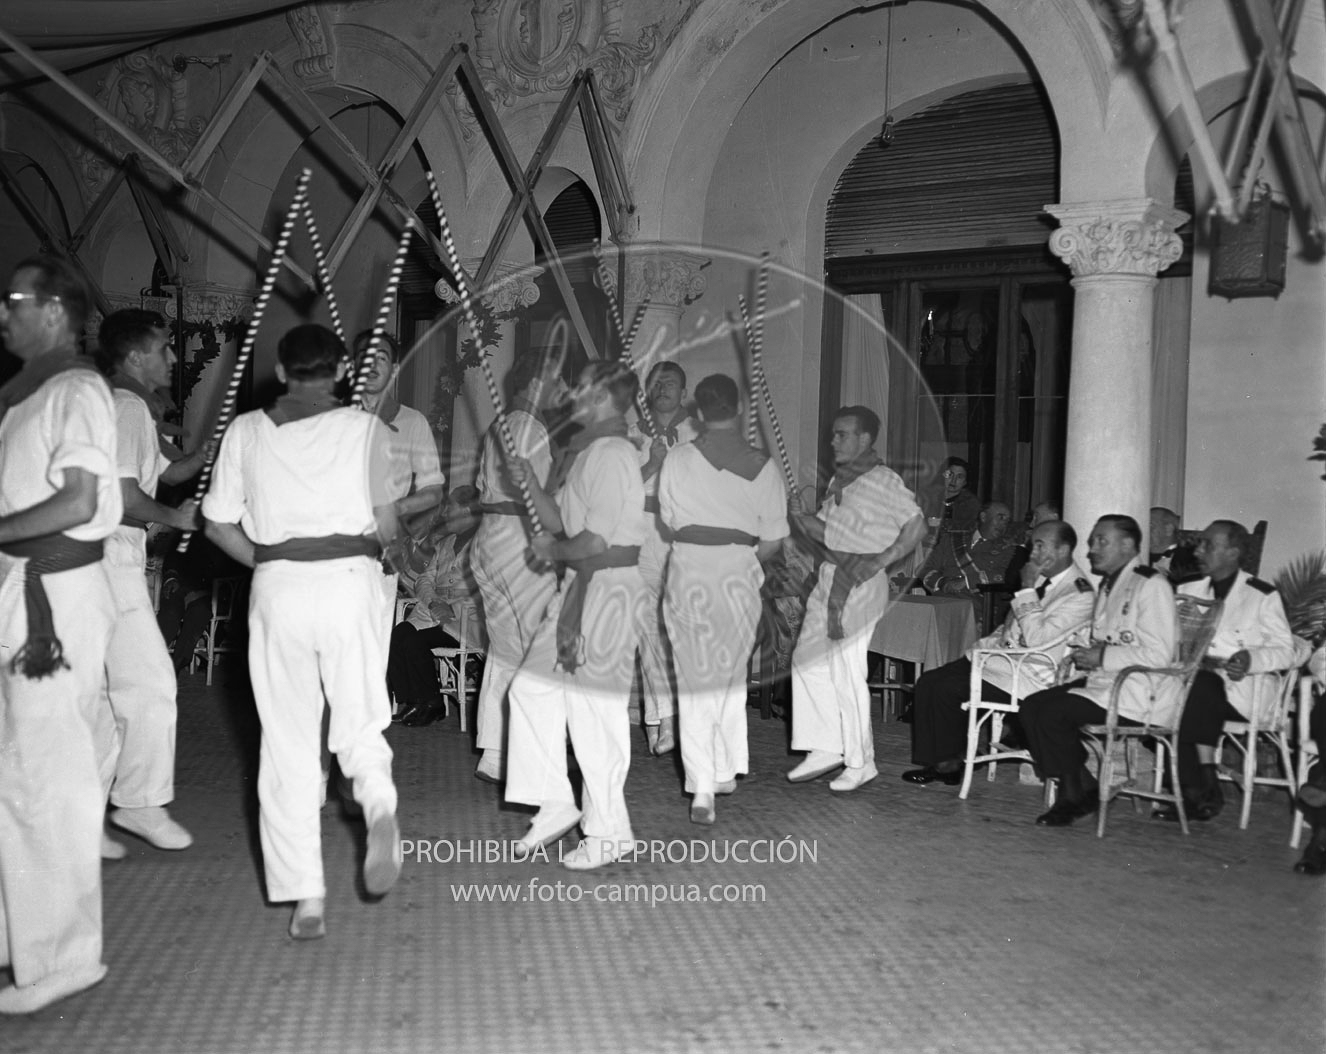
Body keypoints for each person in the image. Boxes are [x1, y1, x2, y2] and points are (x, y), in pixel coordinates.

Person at [202, 323, 403, 940]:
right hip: (348, 583)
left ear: (283, 372)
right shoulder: (367, 429)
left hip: (279, 589)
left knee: (287, 740)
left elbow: (216, 524)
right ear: (341, 372)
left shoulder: (246, 430)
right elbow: (388, 526)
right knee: (359, 718)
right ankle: (378, 804)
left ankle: (306, 897)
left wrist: (269, 562)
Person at [0, 254, 122, 1013]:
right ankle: (21, 935)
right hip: (25, 590)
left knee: (48, 775)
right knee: (17, 770)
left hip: (57, 598)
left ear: (54, 311)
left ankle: (64, 957)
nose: (1, 314)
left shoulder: (77, 389)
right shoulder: (29, 394)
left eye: (12, 300)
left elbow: (78, 501)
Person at [503, 361, 646, 869]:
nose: (571, 394)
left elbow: (594, 541)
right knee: (530, 688)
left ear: (603, 398)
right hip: (579, 590)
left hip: (607, 592)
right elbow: (560, 520)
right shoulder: (589, 451)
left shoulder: (613, 454)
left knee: (594, 714)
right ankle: (555, 801)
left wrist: (553, 551)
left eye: (581, 388)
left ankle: (609, 832)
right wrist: (529, 483)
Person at [93, 308, 215, 858]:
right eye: (164, 347)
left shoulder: (130, 407)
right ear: (137, 355)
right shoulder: (126, 407)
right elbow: (123, 496)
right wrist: (177, 518)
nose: (172, 357)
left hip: (107, 556)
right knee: (152, 683)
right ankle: (140, 801)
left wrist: (208, 454)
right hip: (110, 553)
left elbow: (168, 472)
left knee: (107, 696)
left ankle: (85, 817)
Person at [658, 373, 788, 824]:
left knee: (694, 677)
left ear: (697, 411)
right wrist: (742, 557)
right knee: (730, 674)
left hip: (690, 569)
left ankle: (703, 787)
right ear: (739, 409)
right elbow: (774, 540)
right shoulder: (763, 465)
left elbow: (669, 521)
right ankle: (725, 769)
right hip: (737, 573)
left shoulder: (677, 458)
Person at [786, 406, 926, 792]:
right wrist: (801, 516)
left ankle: (860, 762)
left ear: (865, 439)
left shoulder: (883, 479)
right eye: (834, 434)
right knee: (807, 659)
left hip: (861, 581)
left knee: (846, 671)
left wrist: (882, 560)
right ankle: (826, 745)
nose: (833, 441)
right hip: (830, 576)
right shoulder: (840, 480)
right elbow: (825, 531)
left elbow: (916, 526)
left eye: (841, 434)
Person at [902, 519, 1095, 786]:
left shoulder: (1079, 593)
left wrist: (1026, 588)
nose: (1033, 553)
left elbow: (1038, 638)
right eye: (1033, 546)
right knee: (929, 682)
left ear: (1063, 550)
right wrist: (989, 644)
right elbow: (1012, 622)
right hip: (1005, 660)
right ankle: (946, 760)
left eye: (1041, 546)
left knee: (947, 687)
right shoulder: (1044, 577)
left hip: (1031, 674)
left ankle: (947, 765)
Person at [1018, 514, 1179, 827]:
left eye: (1102, 541)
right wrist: (1086, 649)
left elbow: (1160, 653)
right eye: (1092, 542)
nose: (1092, 550)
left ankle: (1072, 795)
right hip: (1109, 683)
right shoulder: (1110, 584)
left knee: (1053, 713)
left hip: (1142, 690)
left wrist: (1103, 656)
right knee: (1033, 706)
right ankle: (1084, 785)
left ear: (1128, 545)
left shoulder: (1151, 584)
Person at [1154, 520, 1299, 821]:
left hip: (1242, 690)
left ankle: (1195, 790)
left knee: (1198, 689)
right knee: (1185, 693)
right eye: (1199, 544)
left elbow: (1286, 650)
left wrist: (1250, 659)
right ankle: (1203, 784)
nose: (1198, 551)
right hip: (1193, 687)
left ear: (1233, 552)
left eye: (1208, 545)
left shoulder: (1261, 595)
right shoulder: (1187, 590)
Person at [470, 348, 564, 783]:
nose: (563, 390)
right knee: (539, 647)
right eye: (558, 380)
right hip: (518, 541)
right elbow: (539, 500)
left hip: (489, 539)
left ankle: (494, 753)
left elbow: (483, 487)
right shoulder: (532, 428)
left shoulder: (500, 425)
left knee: (505, 648)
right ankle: (535, 752)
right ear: (538, 383)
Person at [630, 360, 700, 756]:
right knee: (648, 628)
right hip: (641, 533)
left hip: (682, 538)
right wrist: (651, 463)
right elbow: (620, 486)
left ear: (683, 392)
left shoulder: (700, 435)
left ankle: (670, 719)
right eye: (656, 384)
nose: (662, 389)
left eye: (670, 383)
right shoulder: (630, 434)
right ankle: (664, 720)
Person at [389, 485, 482, 727]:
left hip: (466, 620)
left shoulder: (485, 542)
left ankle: (433, 703)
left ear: (466, 510)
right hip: (432, 612)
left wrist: (453, 607)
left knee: (415, 641)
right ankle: (413, 701)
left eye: (450, 508)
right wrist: (433, 602)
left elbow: (487, 588)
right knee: (399, 634)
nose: (445, 513)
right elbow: (424, 579)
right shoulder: (445, 543)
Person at [920, 500, 1018, 629]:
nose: (1004, 524)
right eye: (1000, 517)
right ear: (983, 517)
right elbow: (925, 569)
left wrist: (965, 582)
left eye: (1007, 520)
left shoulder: (1008, 549)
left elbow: (1001, 576)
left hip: (975, 607)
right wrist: (942, 582)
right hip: (940, 601)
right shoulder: (951, 540)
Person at [925, 456, 980, 544]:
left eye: (959, 477)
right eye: (950, 475)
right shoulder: (927, 498)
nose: (953, 481)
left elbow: (969, 532)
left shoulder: (971, 504)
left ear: (965, 482)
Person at [1148, 505, 1199, 581]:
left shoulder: (1190, 560)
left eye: (1150, 526)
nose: (1144, 530)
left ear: (1168, 529)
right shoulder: (1137, 558)